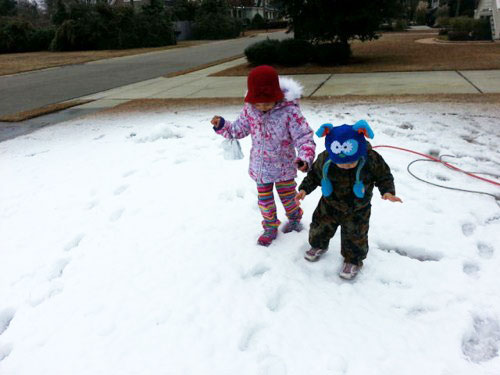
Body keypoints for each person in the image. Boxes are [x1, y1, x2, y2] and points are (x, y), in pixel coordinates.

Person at [211, 65, 316, 246]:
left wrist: (305, 158)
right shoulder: (250, 109)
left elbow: (304, 137)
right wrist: (222, 125)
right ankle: (269, 225)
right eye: (257, 103)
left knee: (289, 198)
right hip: (261, 169)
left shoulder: (290, 112)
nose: (262, 107)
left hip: (284, 167)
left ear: (277, 95)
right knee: (265, 202)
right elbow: (238, 129)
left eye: (267, 102)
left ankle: (294, 217)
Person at [296, 120, 402, 279]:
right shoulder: (325, 158)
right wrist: (304, 189)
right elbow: (314, 176)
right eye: (341, 163)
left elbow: (384, 176)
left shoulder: (371, 159)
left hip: (358, 207)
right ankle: (318, 245)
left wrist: (387, 191)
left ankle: (353, 260)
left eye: (351, 162)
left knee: (356, 234)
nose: (346, 165)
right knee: (320, 226)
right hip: (329, 203)